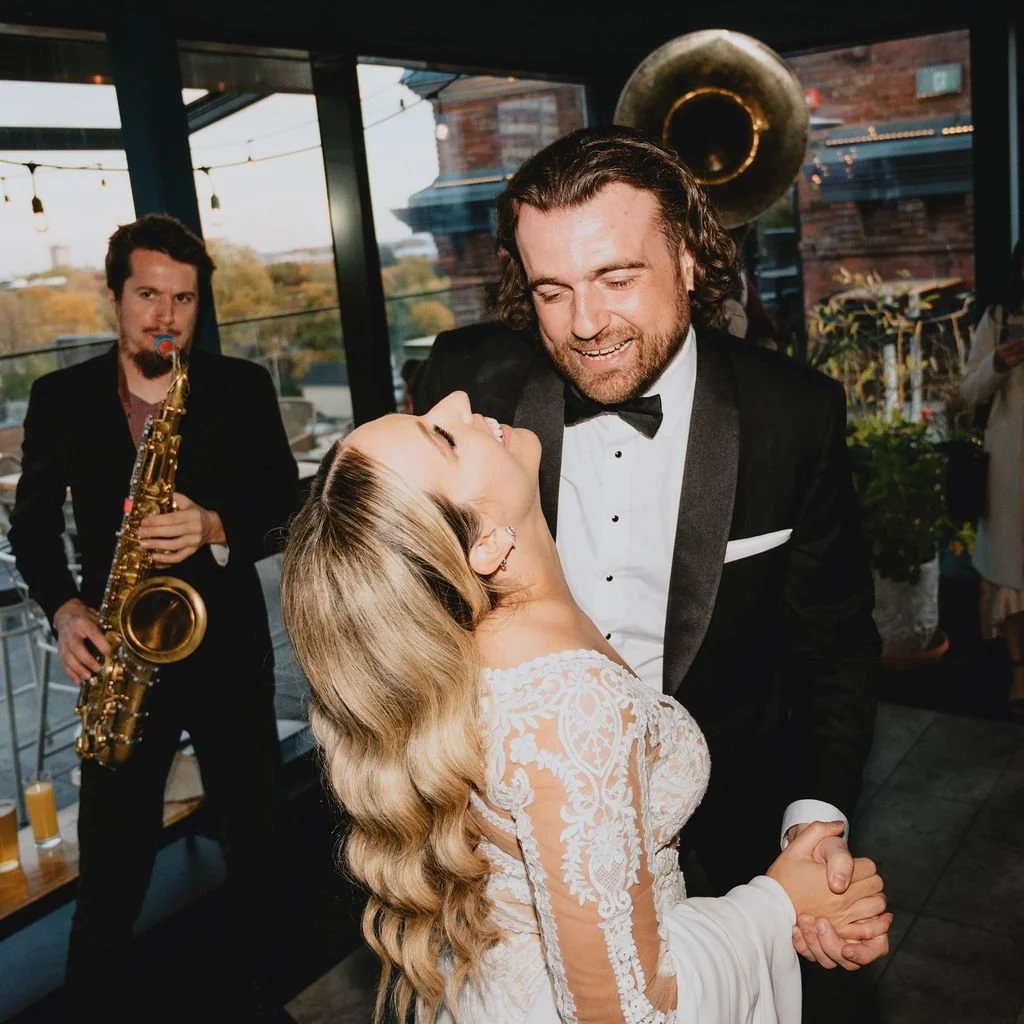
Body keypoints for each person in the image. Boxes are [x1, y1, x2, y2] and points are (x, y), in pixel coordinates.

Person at [413, 127, 884, 974]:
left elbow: (835, 644)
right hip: (515, 829)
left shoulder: (794, 415)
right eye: (552, 290)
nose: (586, 324)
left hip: (736, 804)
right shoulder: (467, 388)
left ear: (692, 258)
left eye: (617, 277)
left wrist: (815, 817)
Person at [279, 390, 891, 1024]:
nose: (457, 397)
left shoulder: (474, 645)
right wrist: (779, 903)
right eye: (445, 437)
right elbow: (625, 1016)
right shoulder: (565, 707)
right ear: (485, 545)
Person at [9, 213, 299, 1019]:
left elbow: (288, 503)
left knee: (258, 852)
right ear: (114, 297)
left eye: (183, 299)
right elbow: (30, 523)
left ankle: (262, 998)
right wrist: (65, 609)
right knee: (111, 871)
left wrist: (214, 525)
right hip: (120, 658)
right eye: (148, 294)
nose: (165, 316)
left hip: (229, 654)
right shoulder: (60, 397)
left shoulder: (239, 386)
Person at [960, 239, 1024, 720]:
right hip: (1010, 461)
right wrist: (998, 363)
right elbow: (967, 391)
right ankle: (1019, 672)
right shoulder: (1001, 317)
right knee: (1010, 567)